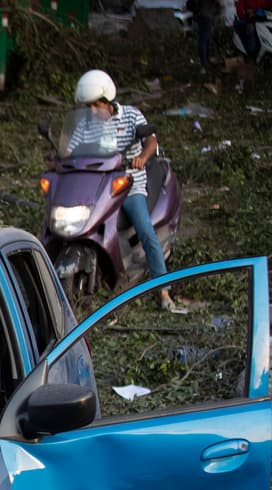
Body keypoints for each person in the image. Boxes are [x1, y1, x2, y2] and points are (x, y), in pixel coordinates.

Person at [69, 70, 178, 311]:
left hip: (129, 186)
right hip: (96, 190)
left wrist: (142, 157)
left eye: (95, 105)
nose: (92, 111)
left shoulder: (131, 115)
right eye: (88, 107)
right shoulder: (86, 123)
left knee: (146, 233)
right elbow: (72, 150)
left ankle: (164, 291)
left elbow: (150, 139)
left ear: (107, 100)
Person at [192, 0, 221, 73]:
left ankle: (206, 61)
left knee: (205, 40)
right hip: (206, 15)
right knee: (204, 40)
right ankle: (205, 62)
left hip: (204, 15)